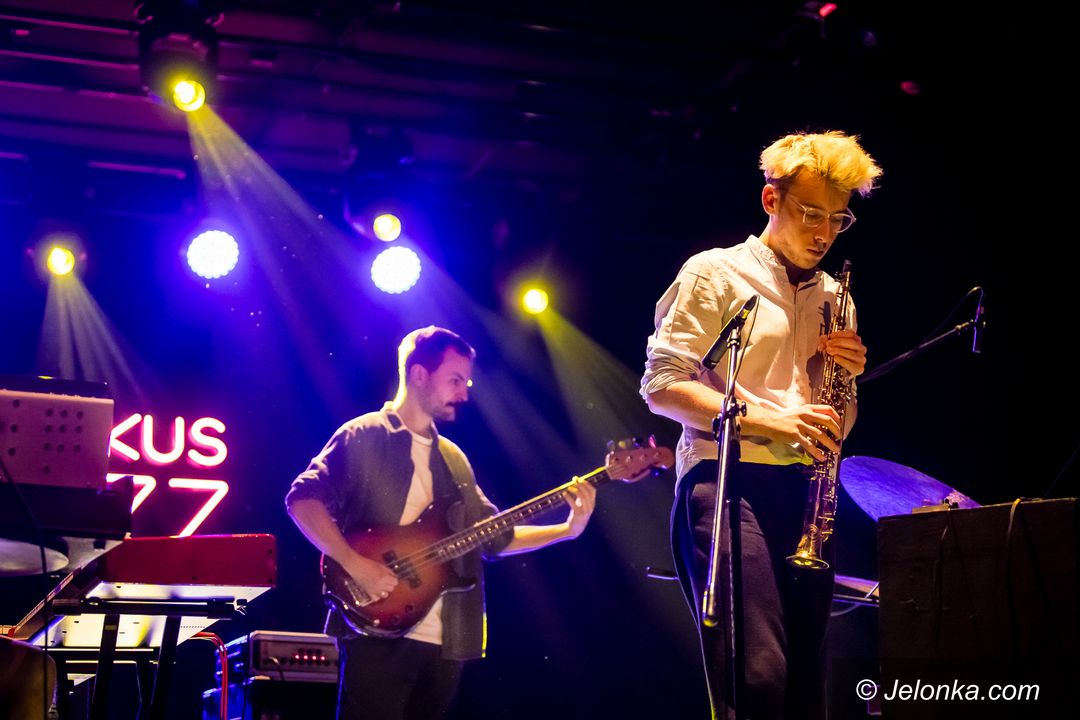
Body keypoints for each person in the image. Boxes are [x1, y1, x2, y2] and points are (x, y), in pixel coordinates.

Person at [641, 131, 881, 719]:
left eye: (838, 219)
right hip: (727, 483)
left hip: (806, 499)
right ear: (772, 200)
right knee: (757, 679)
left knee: (806, 695)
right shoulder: (715, 272)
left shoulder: (837, 297)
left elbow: (837, 421)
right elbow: (661, 386)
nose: (824, 233)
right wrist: (773, 421)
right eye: (810, 214)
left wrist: (847, 378)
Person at [286, 325, 597, 720]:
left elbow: (494, 538)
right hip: (375, 631)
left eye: (465, 382)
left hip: (447, 641)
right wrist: (355, 564)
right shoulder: (363, 433)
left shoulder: (454, 459)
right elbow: (302, 501)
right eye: (455, 380)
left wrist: (568, 530)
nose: (464, 393)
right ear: (419, 374)